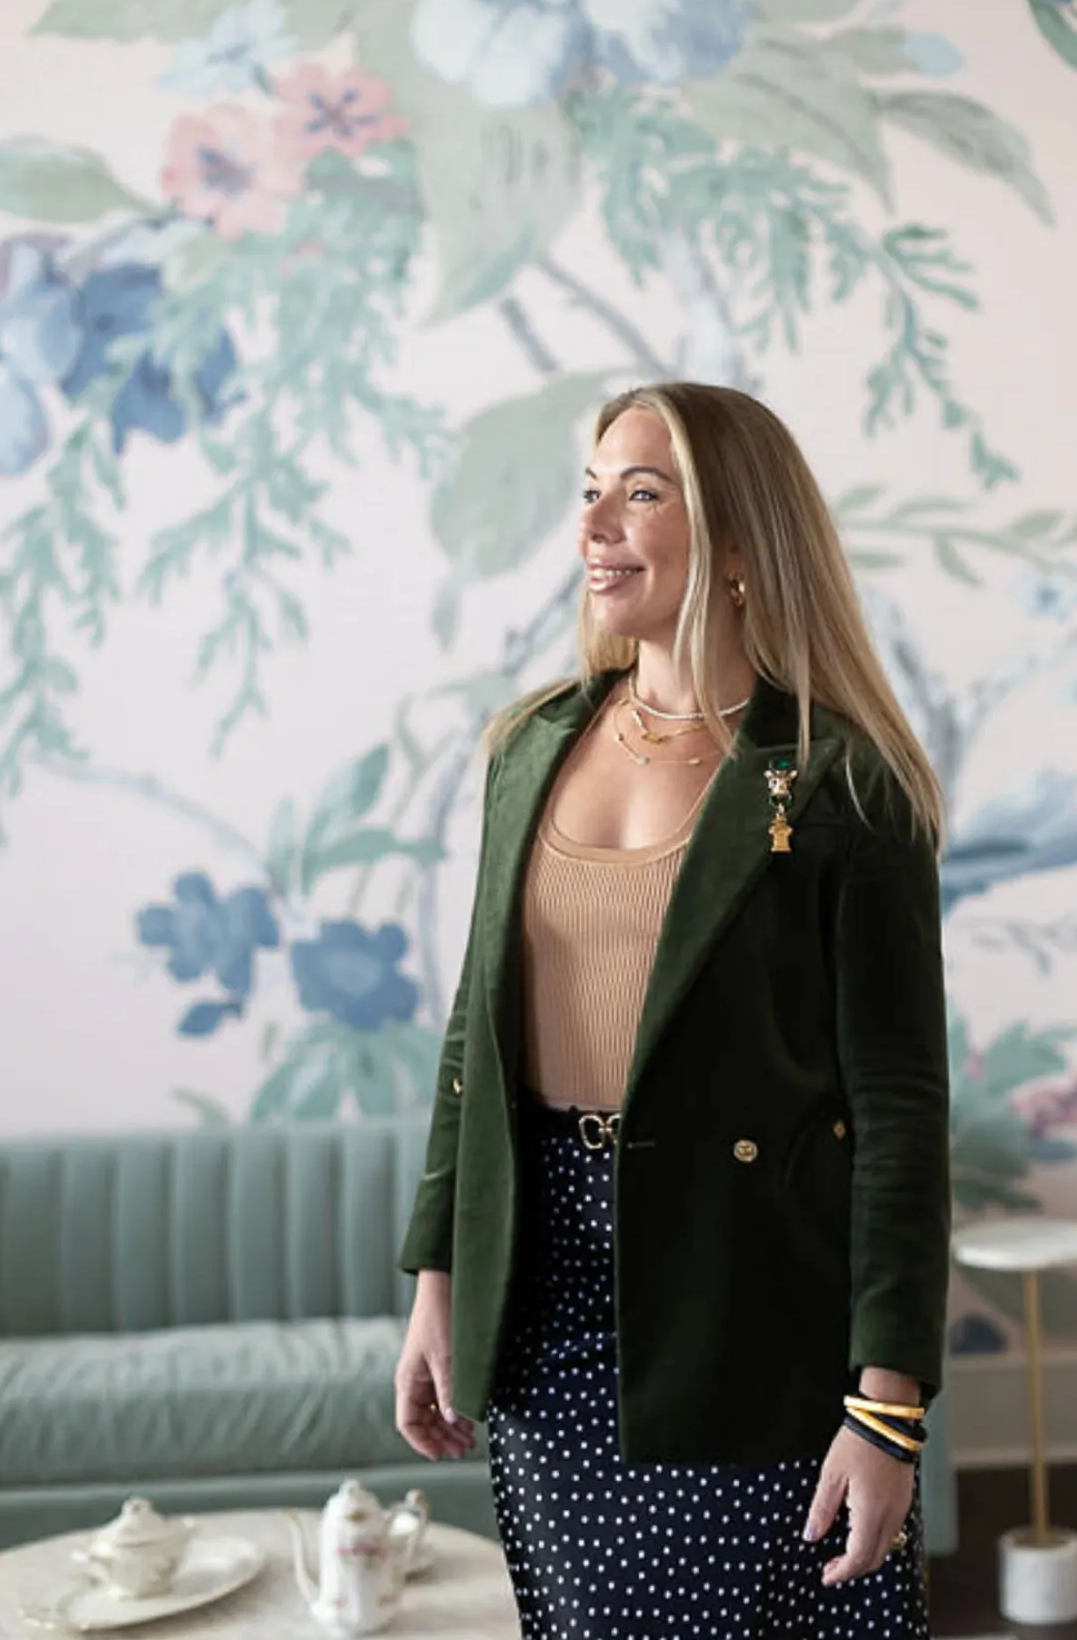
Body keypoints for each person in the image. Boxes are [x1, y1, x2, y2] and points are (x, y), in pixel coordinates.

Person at [395, 381, 951, 1638]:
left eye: (641, 494)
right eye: (591, 491)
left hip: (749, 1293)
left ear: (743, 541)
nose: (594, 526)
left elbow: (900, 1111)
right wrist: (438, 1281)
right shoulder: (529, 744)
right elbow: (474, 1039)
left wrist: (888, 1407)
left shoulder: (844, 780)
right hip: (542, 1290)